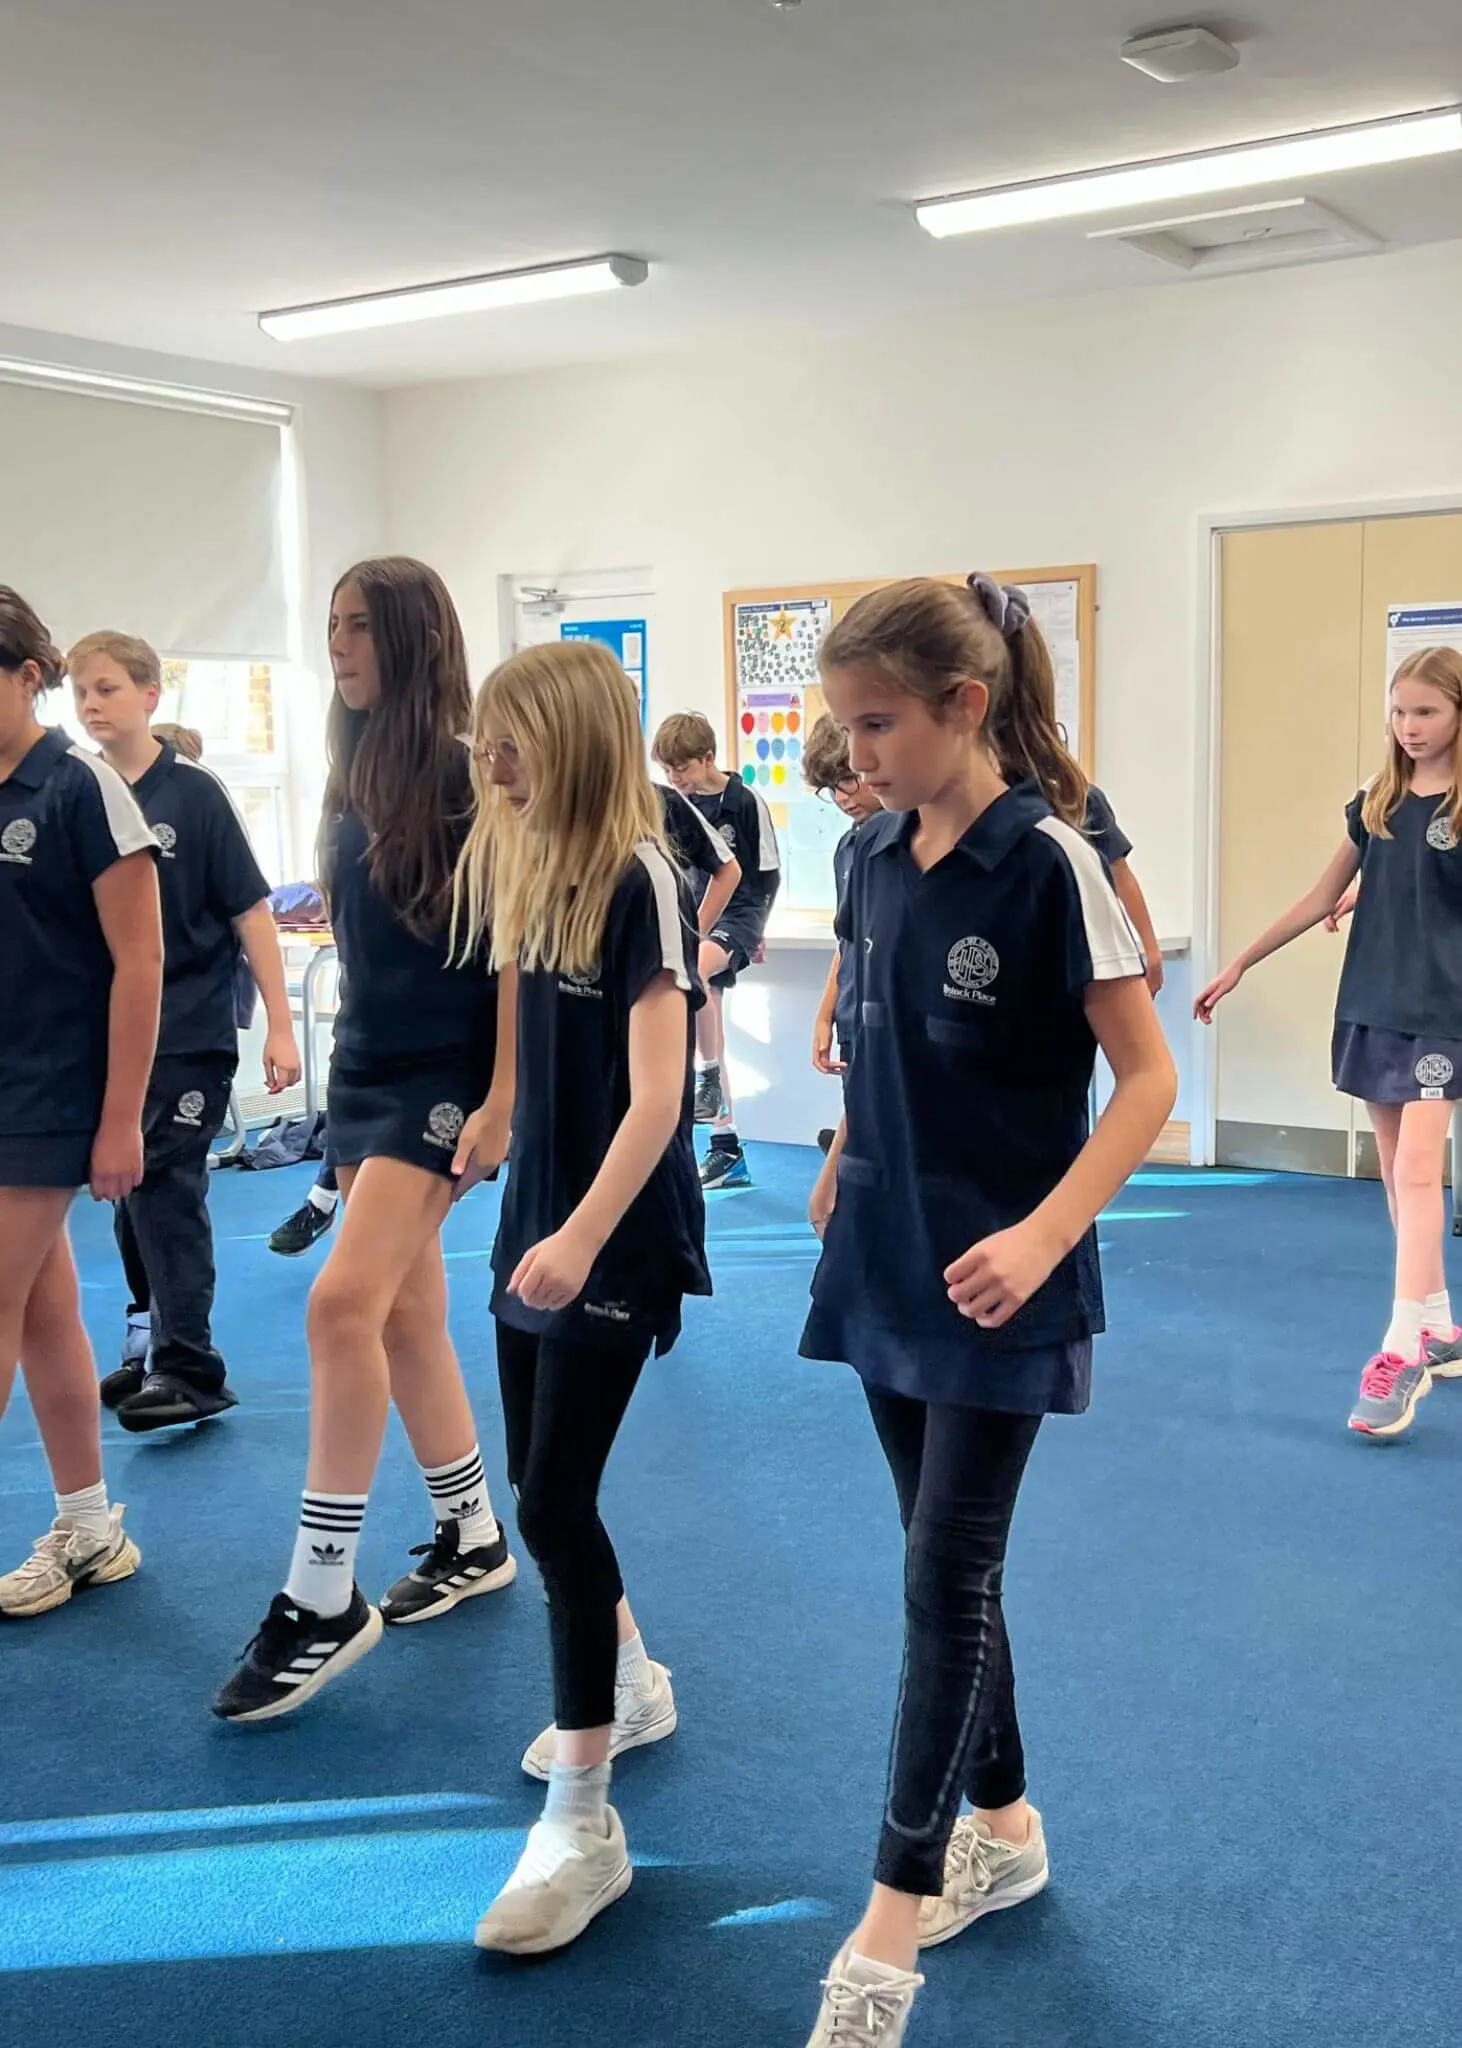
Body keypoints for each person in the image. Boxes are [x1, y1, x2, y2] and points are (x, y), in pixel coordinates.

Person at [799, 575, 1175, 2046]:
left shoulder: (1050, 862)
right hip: (884, 1253)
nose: (853, 755)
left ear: (964, 705)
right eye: (840, 728)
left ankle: (888, 1923)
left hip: (999, 1277)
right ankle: (1003, 1826)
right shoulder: (868, 855)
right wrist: (838, 1157)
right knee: (933, 1559)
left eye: (876, 724)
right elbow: (878, 1035)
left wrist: (1042, 1234)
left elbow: (1144, 1083)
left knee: (941, 1578)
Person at [213, 557, 517, 1722]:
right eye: (327, 625)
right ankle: (472, 1530)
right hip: (370, 1075)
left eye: (355, 627)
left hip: (442, 1083)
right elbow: (382, 936)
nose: (335, 645)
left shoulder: (462, 774)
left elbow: (509, 955)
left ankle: (322, 1593)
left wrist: (499, 1100)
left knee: (338, 1306)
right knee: (399, 1313)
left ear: (407, 637)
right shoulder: (354, 778)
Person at [455, 639, 709, 1956]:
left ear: (571, 742)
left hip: (615, 1230)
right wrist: (496, 1114)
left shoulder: (642, 877)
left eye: (510, 742)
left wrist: (581, 1233)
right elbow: (515, 1007)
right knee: (534, 1488)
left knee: (553, 1503)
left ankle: (583, 1823)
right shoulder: (523, 854)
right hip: (534, 1215)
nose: (490, 765)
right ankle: (632, 1679)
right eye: (483, 742)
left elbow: (661, 1096)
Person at [1196, 644, 1462, 1438]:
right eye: (1400, 711)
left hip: (1442, 1013)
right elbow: (1320, 896)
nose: (1410, 727)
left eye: (1428, 712)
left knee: (1419, 1174)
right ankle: (1441, 1323)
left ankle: (1398, 1346)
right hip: (1373, 1002)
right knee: (1396, 1177)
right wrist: (1243, 958)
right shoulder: (1377, 802)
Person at [69, 632, 301, 1429]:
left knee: (167, 1187)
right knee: (124, 1191)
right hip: (110, 1037)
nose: (92, 705)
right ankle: (147, 1342)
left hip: (192, 1028)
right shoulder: (79, 792)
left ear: (148, 697)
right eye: (81, 693)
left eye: (106, 689)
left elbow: (250, 911)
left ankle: (191, 1366)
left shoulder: (192, 796)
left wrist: (280, 1023)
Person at [0, 588, 162, 1619]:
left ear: (26, 675)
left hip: (53, 1094)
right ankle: (92, 1524)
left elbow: (140, 959)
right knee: (46, 1309)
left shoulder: (79, 786)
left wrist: (119, 1116)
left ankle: (91, 1523)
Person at [650, 711, 780, 1190]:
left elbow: (764, 872)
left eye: (681, 769)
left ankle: (704, 1079)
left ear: (708, 759)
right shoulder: (673, 804)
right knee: (708, 1013)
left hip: (735, 914)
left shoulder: (744, 803)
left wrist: (756, 927)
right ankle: (726, 1147)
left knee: (693, 973)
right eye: (667, 772)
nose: (674, 779)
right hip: (695, 913)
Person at [803, 713, 884, 1153]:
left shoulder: (906, 838)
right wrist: (825, 1013)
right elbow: (847, 939)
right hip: (855, 1011)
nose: (842, 797)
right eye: (831, 787)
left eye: (850, 779)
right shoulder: (848, 847)